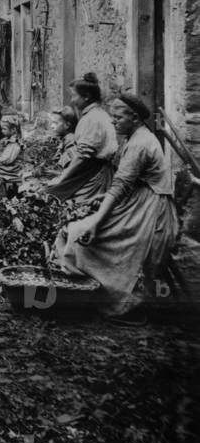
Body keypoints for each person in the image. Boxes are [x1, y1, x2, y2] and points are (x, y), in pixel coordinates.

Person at [54, 94, 180, 323]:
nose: (113, 121)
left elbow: (121, 185)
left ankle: (121, 302)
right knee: (77, 230)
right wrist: (103, 197)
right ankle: (93, 292)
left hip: (151, 211)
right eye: (112, 116)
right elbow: (126, 184)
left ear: (134, 118)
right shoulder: (134, 137)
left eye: (118, 116)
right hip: (138, 200)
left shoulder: (141, 143)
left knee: (81, 235)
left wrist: (96, 222)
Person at [45, 73, 117, 206]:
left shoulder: (93, 118)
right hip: (89, 169)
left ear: (87, 97)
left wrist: (62, 178)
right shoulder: (96, 114)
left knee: (50, 196)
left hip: (94, 174)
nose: (72, 100)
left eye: (74, 96)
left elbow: (82, 157)